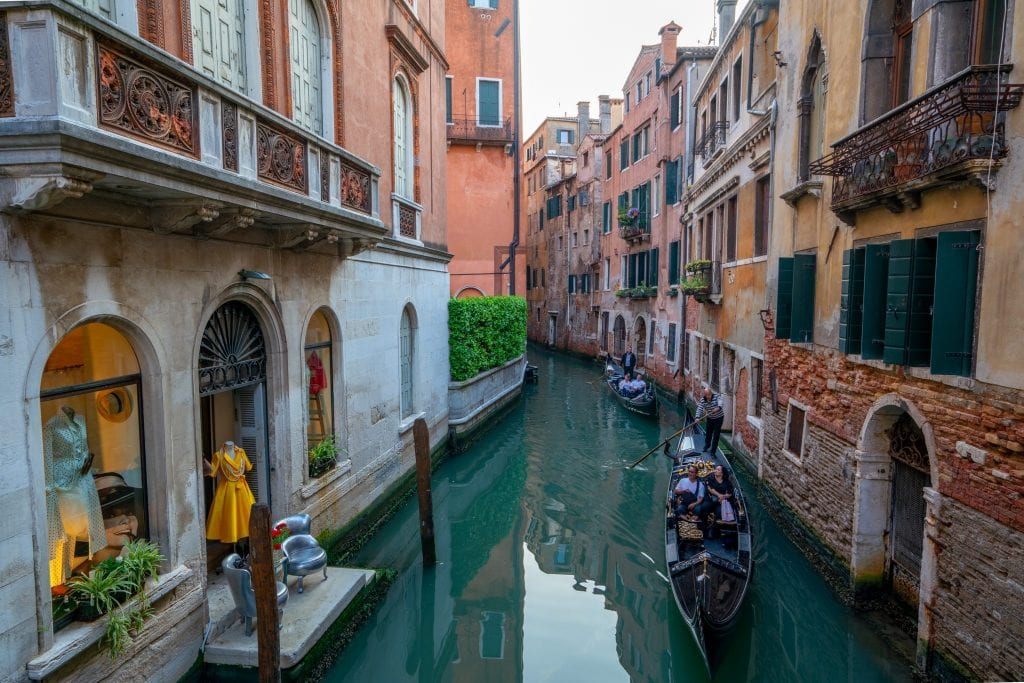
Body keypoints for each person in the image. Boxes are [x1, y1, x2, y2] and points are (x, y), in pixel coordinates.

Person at [704, 465, 735, 538]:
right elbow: (710, 489)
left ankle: (713, 529)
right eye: (716, 469)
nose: (715, 470)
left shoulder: (727, 482)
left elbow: (730, 493)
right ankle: (704, 527)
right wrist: (719, 495)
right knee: (704, 508)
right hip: (711, 500)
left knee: (719, 513)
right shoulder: (711, 479)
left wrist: (723, 497)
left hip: (721, 502)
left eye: (718, 470)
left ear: (722, 473)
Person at [696, 386, 725, 454]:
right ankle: (707, 445)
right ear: (705, 395)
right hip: (710, 418)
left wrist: (718, 407)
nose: (708, 396)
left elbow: (721, 402)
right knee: (708, 433)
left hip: (719, 418)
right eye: (706, 395)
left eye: (709, 394)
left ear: (711, 393)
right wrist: (697, 417)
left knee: (716, 435)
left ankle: (713, 451)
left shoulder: (717, 397)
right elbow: (699, 408)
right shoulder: (703, 400)